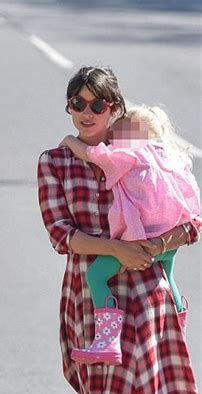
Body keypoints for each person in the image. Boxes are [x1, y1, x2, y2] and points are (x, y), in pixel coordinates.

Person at [37, 66, 201, 394]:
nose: (86, 113)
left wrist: (152, 247)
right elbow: (60, 233)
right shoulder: (55, 161)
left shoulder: (146, 151)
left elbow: (188, 219)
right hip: (91, 301)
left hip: (146, 302)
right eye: (77, 104)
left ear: (116, 108)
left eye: (97, 104)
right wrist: (116, 249)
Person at [59, 105, 200, 365]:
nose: (112, 133)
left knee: (97, 275)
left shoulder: (127, 155)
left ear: (134, 135)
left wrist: (69, 140)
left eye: (120, 129)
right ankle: (179, 320)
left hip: (138, 239)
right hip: (168, 239)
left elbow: (91, 154)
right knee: (169, 277)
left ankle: (108, 340)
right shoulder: (172, 157)